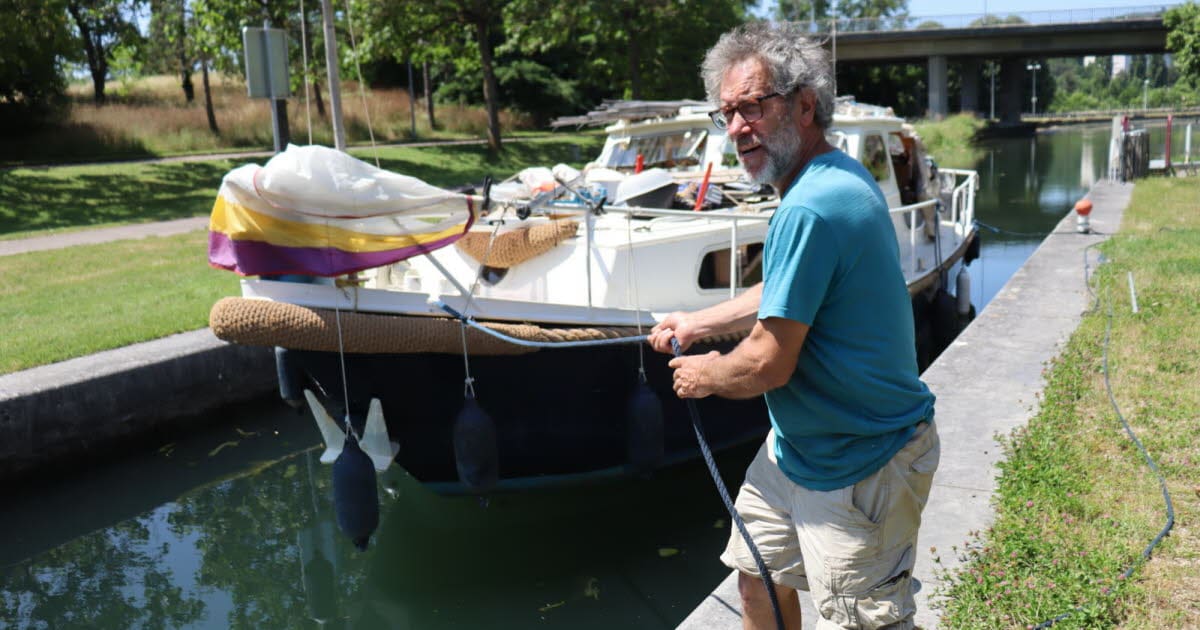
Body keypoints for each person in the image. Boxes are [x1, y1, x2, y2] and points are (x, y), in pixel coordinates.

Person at [647, 23, 939, 630]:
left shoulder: (809, 205)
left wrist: (703, 374)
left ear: (805, 105)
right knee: (756, 578)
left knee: (869, 621)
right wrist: (699, 321)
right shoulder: (834, 176)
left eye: (751, 106)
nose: (735, 129)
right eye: (726, 113)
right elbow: (785, 291)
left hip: (862, 461)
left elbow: (767, 362)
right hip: (798, 451)